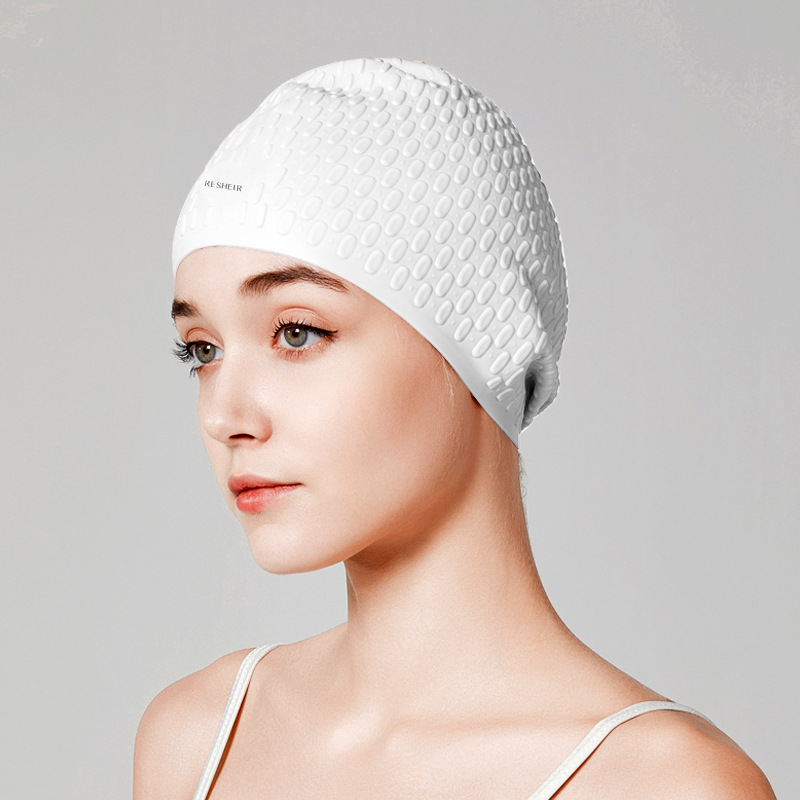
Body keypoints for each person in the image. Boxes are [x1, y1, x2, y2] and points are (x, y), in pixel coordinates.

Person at [133, 57, 775, 799]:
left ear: (485, 347)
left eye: (298, 333)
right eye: (203, 351)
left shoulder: (663, 785)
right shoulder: (197, 739)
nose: (225, 417)